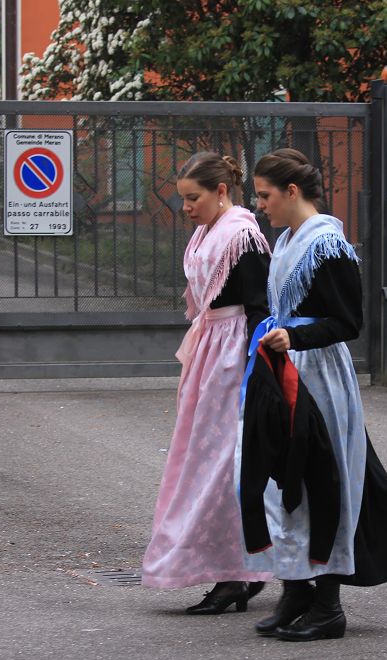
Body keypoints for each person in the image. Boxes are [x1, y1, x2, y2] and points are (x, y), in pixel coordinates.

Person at [238, 148, 387, 642]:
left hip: (317, 375)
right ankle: (296, 590)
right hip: (283, 367)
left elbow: (348, 322)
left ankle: (327, 605)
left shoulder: (328, 245)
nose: (260, 204)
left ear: (292, 192)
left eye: (265, 195)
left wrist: (295, 336)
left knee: (320, 479)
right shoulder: (286, 240)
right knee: (279, 482)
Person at [142, 152, 272, 612]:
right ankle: (237, 569)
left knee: (224, 466)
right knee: (202, 462)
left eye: (192, 198)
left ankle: (235, 572)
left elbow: (259, 307)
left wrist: (256, 369)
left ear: (221, 191)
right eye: (183, 199)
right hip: (211, 350)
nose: (185, 208)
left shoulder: (243, 237)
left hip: (232, 357)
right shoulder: (206, 233)